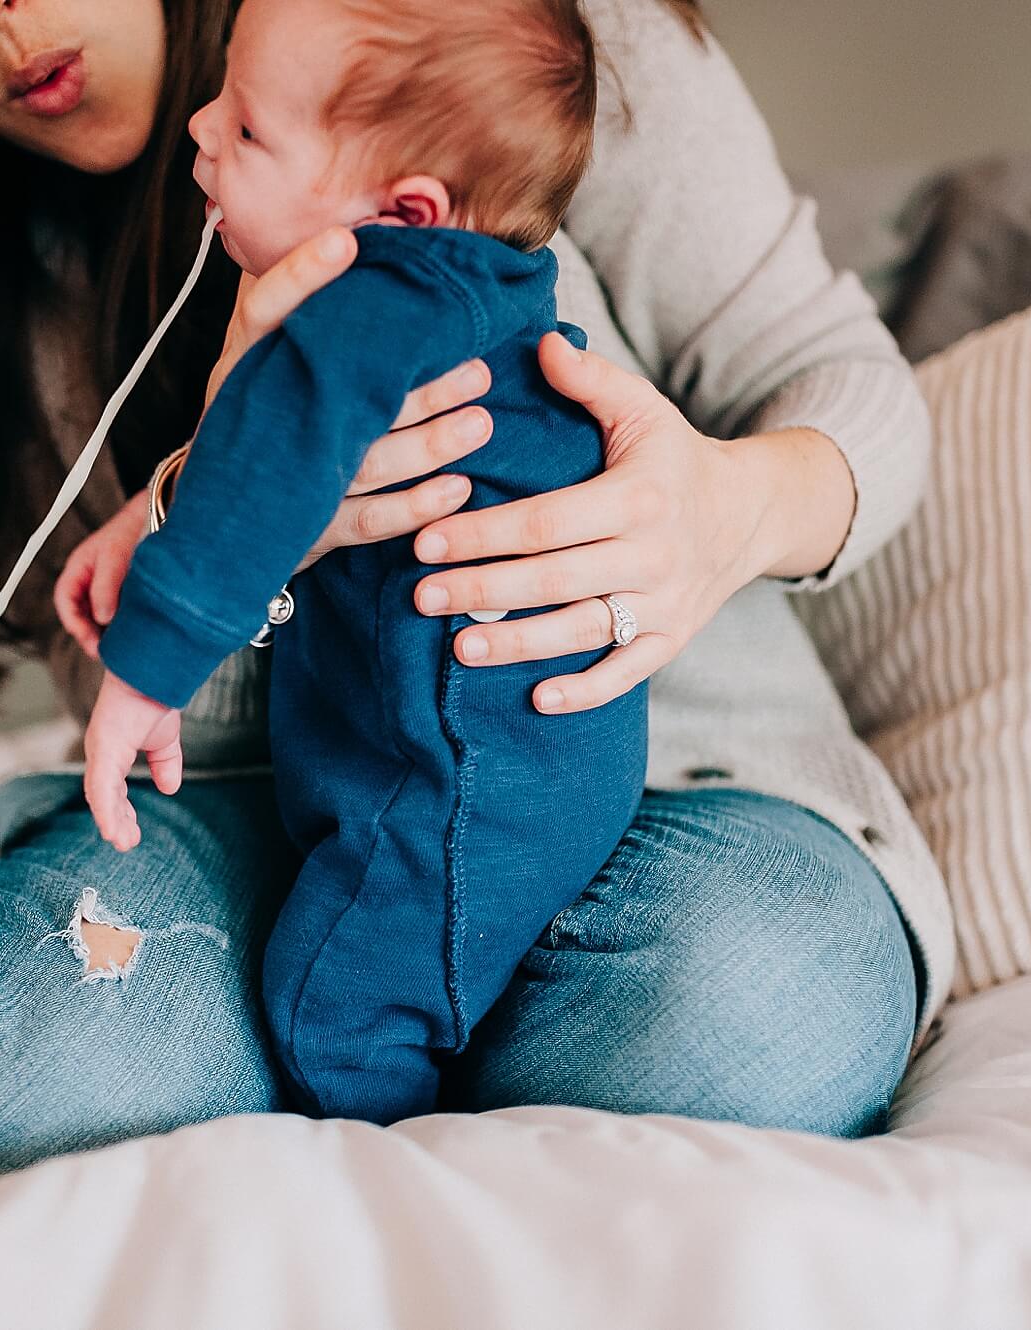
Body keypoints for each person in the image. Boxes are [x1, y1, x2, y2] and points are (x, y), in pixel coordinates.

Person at [0, 0, 954, 1187]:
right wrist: (230, 499)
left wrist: (723, 510)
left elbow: (847, 387)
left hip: (681, 806)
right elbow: (139, 710)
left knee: (752, 1012)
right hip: (288, 817)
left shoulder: (509, 44)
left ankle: (381, 1050)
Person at [75, 0, 647, 1123]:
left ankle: (385, 1187)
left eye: (246, 131)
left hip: (459, 784)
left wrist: (148, 674)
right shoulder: (489, 284)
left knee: (330, 1010)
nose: (197, 129)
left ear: (402, 213)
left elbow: (270, 452)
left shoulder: (374, 296)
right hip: (529, 763)